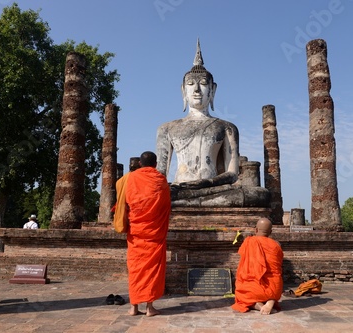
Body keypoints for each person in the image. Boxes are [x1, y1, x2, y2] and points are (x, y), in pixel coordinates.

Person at [156, 40, 269, 207]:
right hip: (179, 189)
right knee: (156, 193)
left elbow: (232, 174)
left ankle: (186, 202)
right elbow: (160, 174)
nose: (196, 90)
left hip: (213, 189)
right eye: (190, 84)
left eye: (202, 84)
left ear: (213, 90)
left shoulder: (227, 127)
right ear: (183, 91)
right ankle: (184, 201)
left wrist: (206, 183)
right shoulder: (167, 128)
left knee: (258, 195)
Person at [125, 151, 171, 316]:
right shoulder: (160, 180)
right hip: (154, 232)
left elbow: (127, 201)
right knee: (151, 269)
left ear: (139, 164)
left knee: (136, 268)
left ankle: (133, 307)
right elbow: (165, 205)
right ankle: (149, 307)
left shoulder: (131, 178)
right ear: (156, 164)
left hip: (137, 231)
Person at [231, 218, 284, 315]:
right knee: (275, 278)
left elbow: (244, 264)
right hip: (274, 289)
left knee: (241, 294)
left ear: (256, 230)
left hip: (254, 289)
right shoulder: (277, 244)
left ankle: (258, 305)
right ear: (271, 232)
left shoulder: (249, 242)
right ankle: (270, 301)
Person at [112, 157, 141, 233]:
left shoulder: (120, 181)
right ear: (140, 165)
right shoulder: (138, 179)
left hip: (123, 216)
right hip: (135, 216)